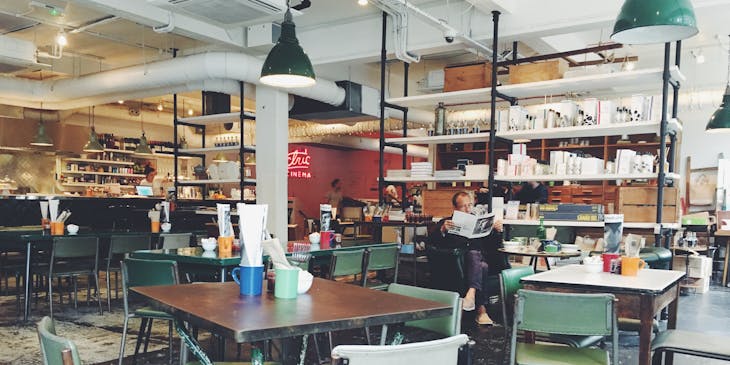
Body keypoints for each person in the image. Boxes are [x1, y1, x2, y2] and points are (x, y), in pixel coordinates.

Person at [428, 191, 508, 325]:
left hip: (475, 262)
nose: (468, 209)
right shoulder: (445, 222)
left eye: (470, 205)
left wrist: (496, 231)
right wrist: (442, 230)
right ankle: (481, 311)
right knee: (482, 265)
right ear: (455, 208)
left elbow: (492, 246)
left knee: (476, 256)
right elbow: (432, 243)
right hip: (456, 264)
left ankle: (470, 296)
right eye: (463, 206)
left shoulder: (478, 222)